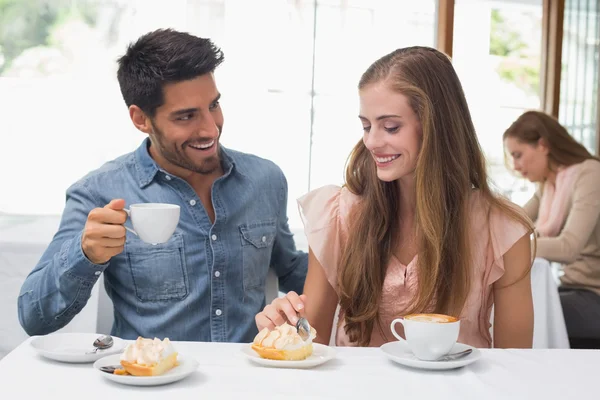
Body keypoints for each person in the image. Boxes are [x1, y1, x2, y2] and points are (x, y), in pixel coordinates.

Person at [18, 29, 307, 343]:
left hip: (247, 379)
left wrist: (345, 238)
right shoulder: (98, 192)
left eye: (213, 106)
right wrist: (84, 253)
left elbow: (291, 270)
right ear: (141, 119)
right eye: (186, 116)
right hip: (148, 385)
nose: (211, 129)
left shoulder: (265, 180)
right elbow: (34, 318)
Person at [255, 46, 535, 349]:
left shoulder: (502, 229)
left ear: (435, 127)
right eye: (366, 126)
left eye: (390, 127)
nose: (372, 141)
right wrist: (284, 326)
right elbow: (311, 340)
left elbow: (515, 364)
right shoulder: (338, 215)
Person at [503, 110, 600, 348]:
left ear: (543, 145)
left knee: (518, 315)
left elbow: (568, 248)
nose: (515, 166)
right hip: (570, 288)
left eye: (518, 155)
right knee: (508, 307)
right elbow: (512, 222)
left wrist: (510, 248)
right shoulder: (548, 185)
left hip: (593, 296)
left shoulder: (590, 174)